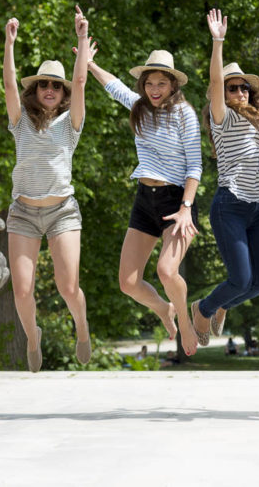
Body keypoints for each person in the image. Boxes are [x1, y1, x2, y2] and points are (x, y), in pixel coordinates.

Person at [88, 42, 202, 355]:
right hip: (144, 200)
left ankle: (186, 324)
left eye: (161, 83)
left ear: (173, 85)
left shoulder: (184, 115)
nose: (154, 89)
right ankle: (165, 310)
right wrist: (88, 63)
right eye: (149, 83)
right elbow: (114, 86)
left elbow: (195, 166)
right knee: (128, 282)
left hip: (176, 200)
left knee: (167, 270)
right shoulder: (139, 107)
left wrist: (186, 209)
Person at [2, 9, 93, 372]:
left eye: (56, 86)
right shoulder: (20, 122)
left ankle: (82, 328)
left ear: (63, 93)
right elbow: (8, 86)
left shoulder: (70, 124)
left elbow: (82, 81)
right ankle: (33, 336)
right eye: (44, 85)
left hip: (62, 212)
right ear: (35, 91)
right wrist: (9, 44)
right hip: (23, 212)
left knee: (68, 286)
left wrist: (82, 37)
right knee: (22, 291)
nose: (51, 90)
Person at [191, 9, 259, 346]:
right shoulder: (222, 118)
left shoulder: (254, 122)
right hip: (230, 205)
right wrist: (218, 42)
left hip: (257, 208)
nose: (240, 91)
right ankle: (203, 308)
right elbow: (214, 81)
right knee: (241, 279)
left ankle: (221, 304)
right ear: (224, 94)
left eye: (243, 87)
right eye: (233, 88)